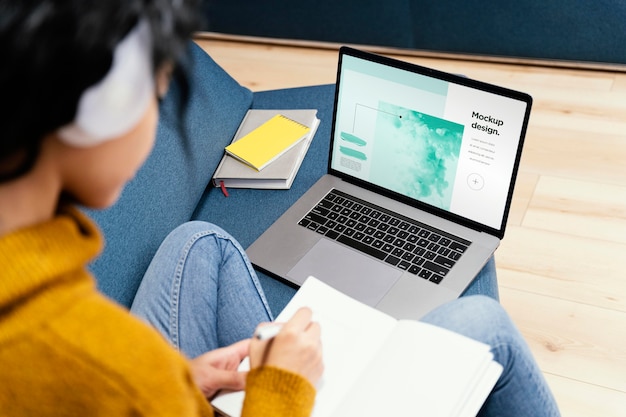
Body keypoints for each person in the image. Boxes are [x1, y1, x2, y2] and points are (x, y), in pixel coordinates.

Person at [0, 1, 560, 416]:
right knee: (481, 323)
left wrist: (183, 380)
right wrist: (280, 389)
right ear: (99, 112)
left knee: (197, 241)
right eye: (158, 95)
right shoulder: (117, 372)